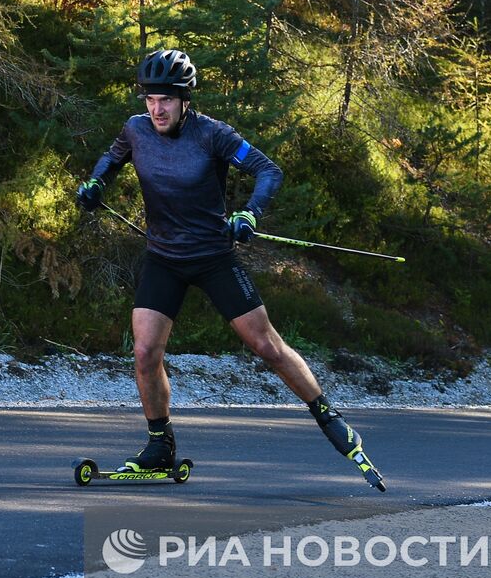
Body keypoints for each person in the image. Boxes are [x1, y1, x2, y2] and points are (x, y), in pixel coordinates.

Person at [75, 48, 385, 490]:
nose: (157, 108)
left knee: (267, 347)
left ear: (185, 100)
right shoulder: (136, 130)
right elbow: (111, 158)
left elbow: (268, 171)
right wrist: (94, 183)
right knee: (145, 352)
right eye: (150, 99)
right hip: (164, 258)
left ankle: (331, 419)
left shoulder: (213, 135)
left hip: (213, 258)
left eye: (166, 100)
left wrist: (250, 213)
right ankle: (160, 447)